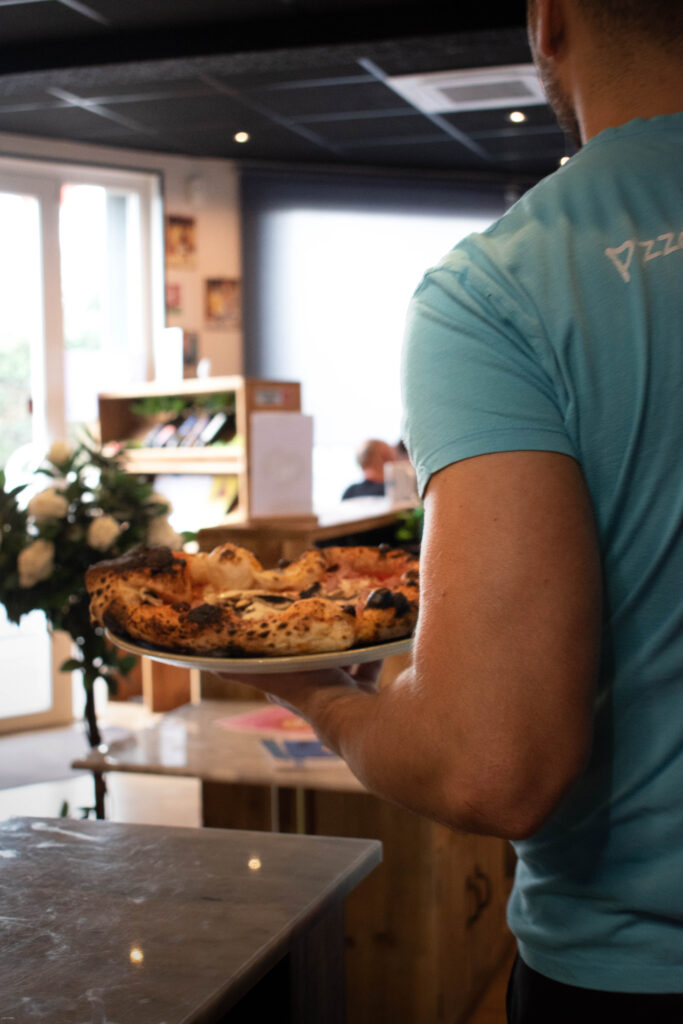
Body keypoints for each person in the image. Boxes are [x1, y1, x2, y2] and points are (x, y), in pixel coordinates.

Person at [223, 2, 683, 1019]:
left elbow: (493, 764)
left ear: (548, 22)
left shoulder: (502, 288)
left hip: (629, 970)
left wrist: (324, 699)